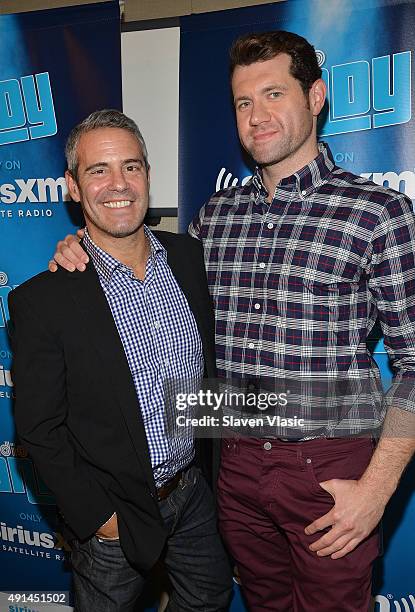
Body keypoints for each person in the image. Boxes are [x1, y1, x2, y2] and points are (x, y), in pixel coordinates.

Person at [49, 32, 415, 612]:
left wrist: (376, 490)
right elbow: (136, 258)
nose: (257, 115)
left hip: (329, 466)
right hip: (233, 464)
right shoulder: (215, 218)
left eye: (274, 94)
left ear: (316, 96)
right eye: (244, 102)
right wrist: (78, 248)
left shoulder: (377, 213)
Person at [9, 109, 232, 612]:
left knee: (209, 599)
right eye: (98, 170)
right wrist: (98, 518)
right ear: (72, 186)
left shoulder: (188, 258)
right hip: (114, 512)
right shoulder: (42, 301)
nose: (119, 185)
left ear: (149, 176)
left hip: (191, 491)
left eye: (131, 167)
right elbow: (39, 429)